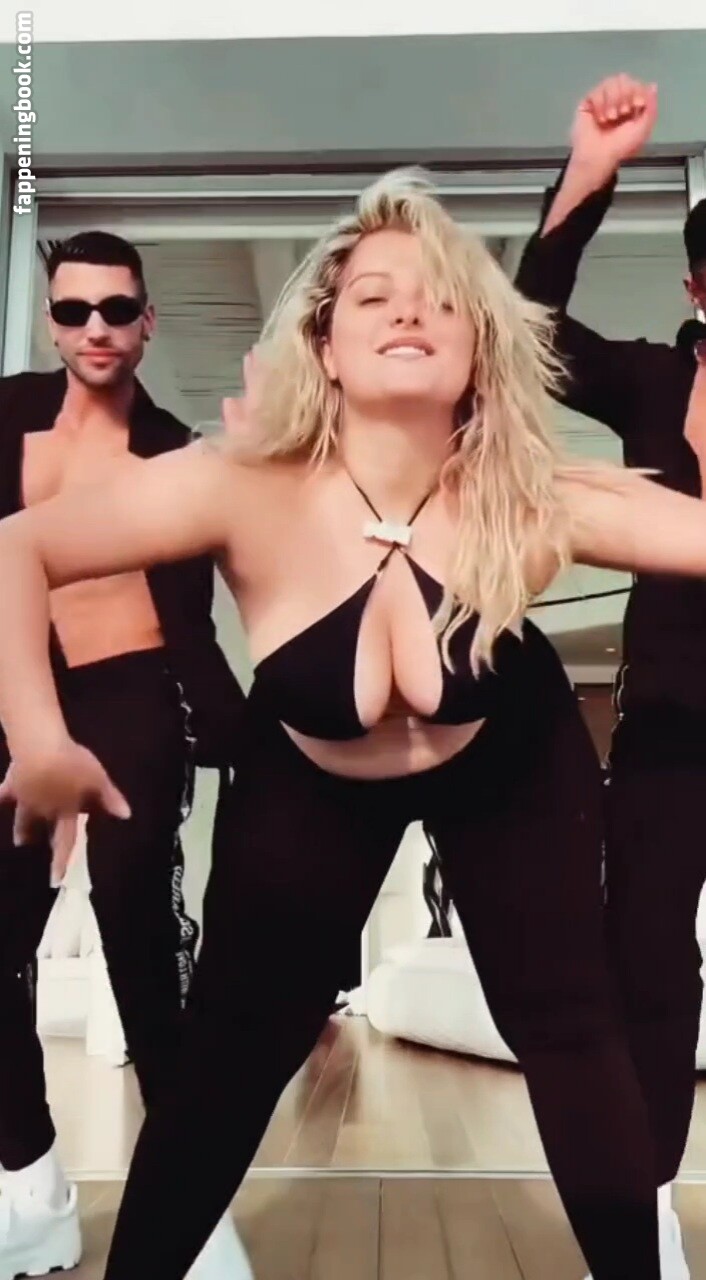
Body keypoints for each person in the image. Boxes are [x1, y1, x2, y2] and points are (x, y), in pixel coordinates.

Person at [4, 171, 706, 1280]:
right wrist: (40, 735)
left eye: (440, 297)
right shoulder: (241, 481)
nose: (408, 310)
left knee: (572, 1029)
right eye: (374, 295)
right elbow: (19, 546)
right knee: (233, 1052)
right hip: (309, 782)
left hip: (511, 763)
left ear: (478, 347)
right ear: (325, 346)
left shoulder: (529, 493)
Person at [0, 232, 252, 1280]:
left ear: (148, 320)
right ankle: (32, 1183)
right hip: (19, 697)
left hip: (137, 692)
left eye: (117, 309)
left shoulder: (178, 448)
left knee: (142, 945)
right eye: (74, 310)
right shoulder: (6, 417)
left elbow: (212, 603)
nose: (95, 328)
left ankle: (188, 1208)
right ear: (52, 322)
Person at [514, 71, 706, 1280]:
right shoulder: (649, 381)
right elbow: (524, 330)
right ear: (697, 290)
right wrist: (585, 180)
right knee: (646, 956)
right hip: (674, 724)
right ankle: (650, 1201)